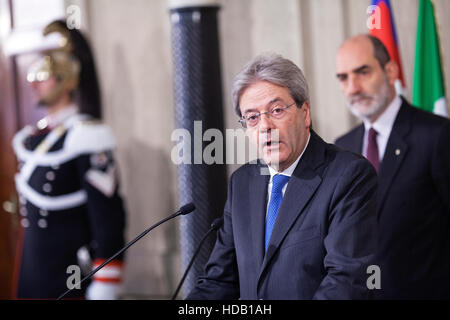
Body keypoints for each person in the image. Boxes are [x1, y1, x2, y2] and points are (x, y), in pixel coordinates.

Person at [187, 53, 378, 300]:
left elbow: (348, 281)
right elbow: (219, 280)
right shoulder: (242, 183)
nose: (265, 126)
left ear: (305, 113)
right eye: (252, 117)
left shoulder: (348, 176)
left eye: (276, 110)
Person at [12, 20, 126, 299]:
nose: (34, 85)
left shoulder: (87, 136)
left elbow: (108, 218)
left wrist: (106, 282)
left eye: (43, 76)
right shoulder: (35, 138)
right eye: (33, 76)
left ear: (66, 79)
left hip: (71, 277)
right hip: (34, 271)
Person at [335, 34, 450, 299]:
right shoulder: (342, 147)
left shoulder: (436, 136)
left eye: (362, 72)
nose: (353, 87)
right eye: (343, 77)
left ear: (390, 70)